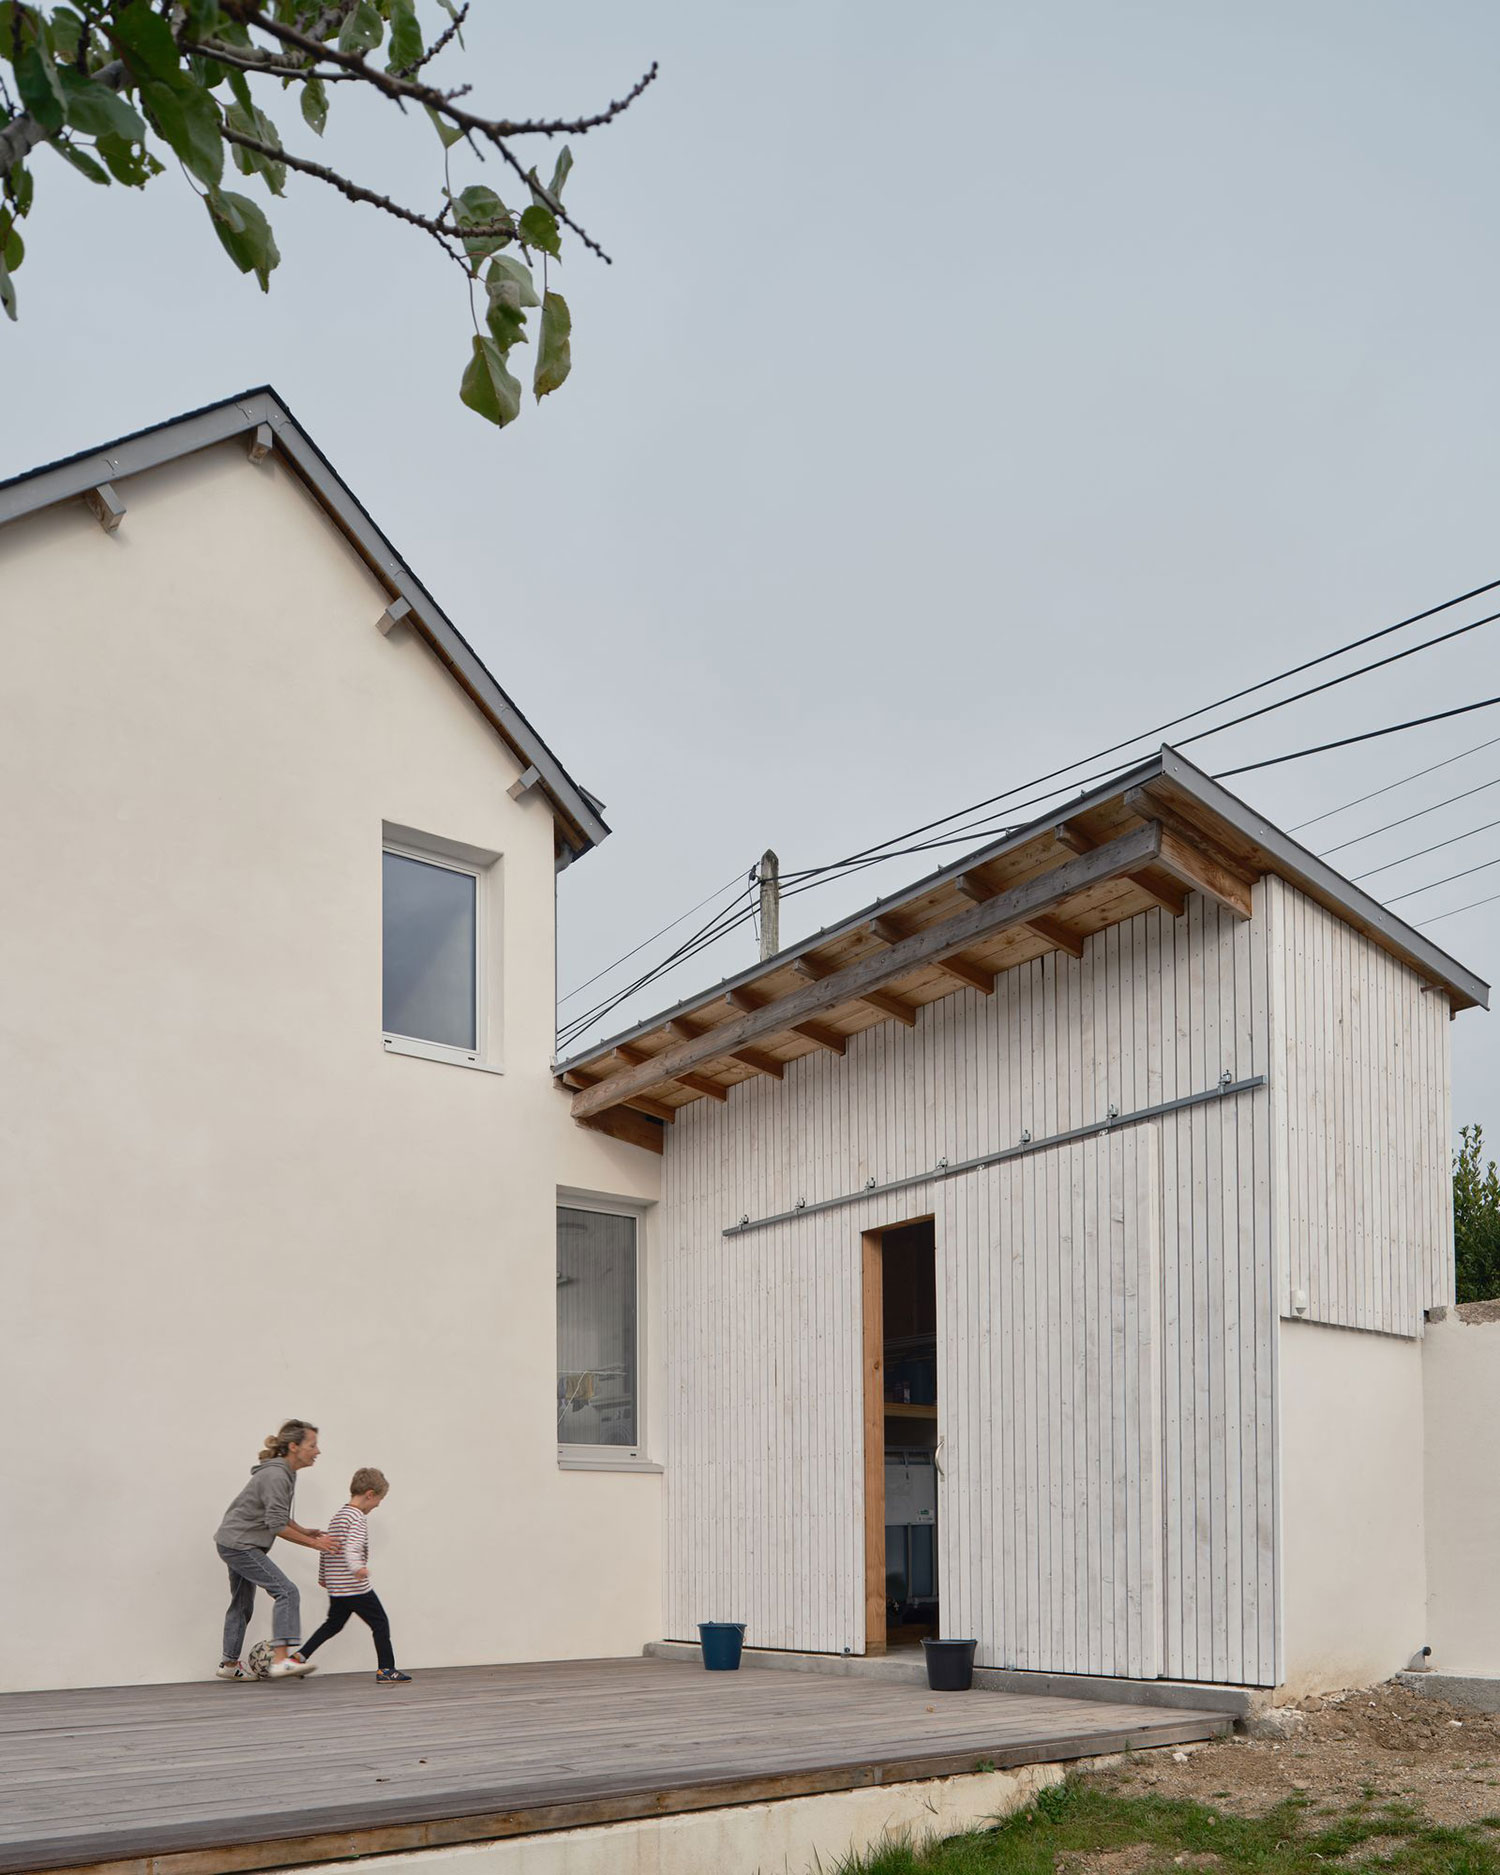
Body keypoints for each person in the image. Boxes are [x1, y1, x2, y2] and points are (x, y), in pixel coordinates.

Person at [213, 1419, 339, 1681]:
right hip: (240, 1544)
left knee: (241, 1603)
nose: (318, 1451)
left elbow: (277, 1515)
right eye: (312, 1445)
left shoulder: (286, 1473)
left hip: (233, 1541)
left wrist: (304, 1531)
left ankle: (228, 1664)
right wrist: (316, 1544)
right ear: (294, 1446)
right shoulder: (277, 1475)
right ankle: (281, 1660)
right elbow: (276, 1525)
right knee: (286, 1591)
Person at [298, 1467, 412, 1683]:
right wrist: (356, 1568)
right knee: (380, 1622)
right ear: (370, 1494)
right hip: (355, 1586)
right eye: (378, 1500)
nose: (378, 1505)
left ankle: (298, 1657)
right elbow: (352, 1547)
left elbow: (326, 1547)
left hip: (337, 1587)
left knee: (333, 1624)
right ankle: (386, 1669)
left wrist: (323, 1576)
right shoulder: (357, 1518)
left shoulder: (338, 1516)